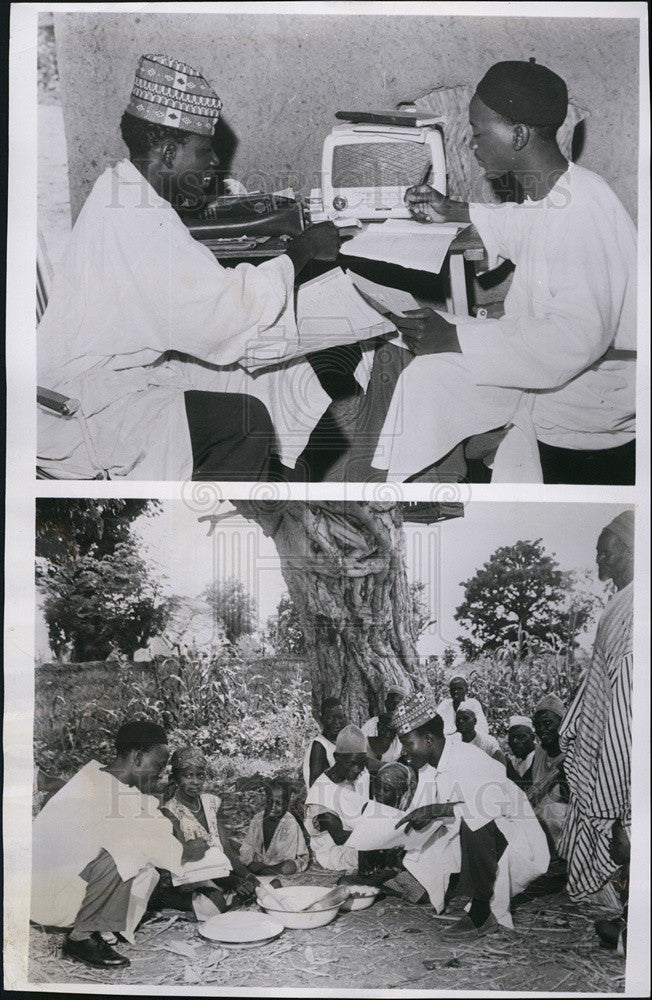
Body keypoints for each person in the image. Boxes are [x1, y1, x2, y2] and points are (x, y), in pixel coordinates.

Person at [37, 53, 340, 481]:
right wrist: (303, 250)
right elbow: (225, 314)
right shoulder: (142, 222)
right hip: (76, 410)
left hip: (108, 377)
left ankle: (284, 489)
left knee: (273, 375)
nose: (214, 161)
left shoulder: (120, 189)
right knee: (246, 417)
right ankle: (227, 513)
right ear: (168, 152)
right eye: (204, 150)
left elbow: (198, 301)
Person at [400, 59, 636, 485]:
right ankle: (414, 484)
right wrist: (451, 209)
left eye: (478, 132)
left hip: (585, 411)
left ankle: (409, 489)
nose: (472, 145)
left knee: (430, 375)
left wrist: (457, 336)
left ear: (519, 135)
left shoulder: (585, 210)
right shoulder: (558, 192)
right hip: (555, 380)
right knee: (422, 371)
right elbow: (520, 226)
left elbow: (573, 339)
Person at [31, 721, 206, 969]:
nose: (161, 773)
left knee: (135, 854)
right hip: (50, 901)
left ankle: (104, 922)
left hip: (39, 888)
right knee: (127, 853)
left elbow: (146, 816)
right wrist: (188, 852)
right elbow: (162, 850)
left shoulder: (95, 776)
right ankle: (81, 937)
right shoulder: (117, 797)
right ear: (137, 757)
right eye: (158, 764)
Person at [392, 692, 549, 938]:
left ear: (429, 740)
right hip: (488, 833)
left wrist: (434, 811)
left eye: (408, 744)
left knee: (475, 821)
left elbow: (486, 810)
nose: (405, 753)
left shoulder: (467, 759)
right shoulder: (430, 767)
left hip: (515, 837)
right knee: (429, 838)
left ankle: (482, 912)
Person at [558, 511, 634, 911]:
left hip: (624, 740)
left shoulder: (637, 603)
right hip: (610, 734)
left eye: (606, 554)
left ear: (629, 548)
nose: (599, 562)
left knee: (621, 834)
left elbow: (627, 691)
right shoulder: (621, 602)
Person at [159, 747, 258, 911]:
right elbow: (187, 863)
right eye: (188, 775)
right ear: (175, 778)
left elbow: (225, 848)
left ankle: (228, 896)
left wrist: (247, 876)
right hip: (192, 875)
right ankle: (161, 900)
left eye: (200, 775)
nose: (195, 782)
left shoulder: (212, 802)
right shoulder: (170, 811)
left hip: (223, 871)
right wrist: (232, 881)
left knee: (255, 888)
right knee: (214, 902)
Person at [304, 725, 371, 871]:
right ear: (336, 757)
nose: (357, 769)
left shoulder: (361, 775)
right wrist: (379, 839)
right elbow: (339, 837)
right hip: (335, 852)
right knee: (379, 856)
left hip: (363, 840)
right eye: (351, 763)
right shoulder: (321, 792)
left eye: (362, 763)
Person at [239, 779, 309, 875]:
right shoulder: (257, 818)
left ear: (287, 804)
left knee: (288, 867)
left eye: (278, 803)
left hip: (283, 861)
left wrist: (262, 866)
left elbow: (286, 855)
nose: (272, 807)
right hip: (261, 860)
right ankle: (260, 871)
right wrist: (249, 862)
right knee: (231, 848)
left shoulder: (289, 823)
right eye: (269, 802)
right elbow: (249, 844)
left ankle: (264, 872)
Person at [530, 694, 570, 853]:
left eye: (548, 723)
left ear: (562, 724)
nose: (541, 730)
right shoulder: (539, 752)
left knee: (550, 811)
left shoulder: (573, 753)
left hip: (567, 820)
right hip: (540, 819)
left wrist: (561, 775)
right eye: (537, 725)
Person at [302, 697, 347, 789]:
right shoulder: (319, 745)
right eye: (330, 718)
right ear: (322, 720)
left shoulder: (341, 742)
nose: (337, 722)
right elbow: (316, 786)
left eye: (339, 717)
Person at [362, 685, 406, 763]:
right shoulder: (373, 724)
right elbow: (370, 751)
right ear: (386, 703)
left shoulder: (405, 727)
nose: (395, 707)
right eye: (392, 703)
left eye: (398, 704)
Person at [505, 715, 537, 791]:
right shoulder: (513, 762)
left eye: (520, 737)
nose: (515, 741)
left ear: (532, 737)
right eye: (511, 737)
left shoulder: (541, 758)